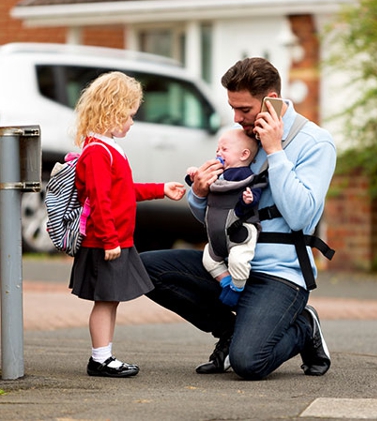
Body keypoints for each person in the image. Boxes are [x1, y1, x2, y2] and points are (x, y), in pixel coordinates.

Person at [141, 57, 336, 380]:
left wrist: (275, 152)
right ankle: (231, 331)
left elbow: (301, 217)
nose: (236, 118)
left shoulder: (315, 143)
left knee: (249, 363)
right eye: (233, 108)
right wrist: (201, 193)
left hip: (279, 274)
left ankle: (304, 326)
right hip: (228, 263)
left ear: (271, 98)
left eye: (244, 109)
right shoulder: (240, 139)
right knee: (145, 270)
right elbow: (213, 215)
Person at [69, 71, 186, 378]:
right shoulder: (96, 152)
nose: (132, 123)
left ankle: (103, 355)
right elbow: (99, 199)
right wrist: (109, 240)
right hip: (104, 241)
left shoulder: (107, 147)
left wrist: (161, 188)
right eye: (129, 116)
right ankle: (100, 358)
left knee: (111, 300)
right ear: (112, 110)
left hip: (115, 239)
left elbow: (123, 191)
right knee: (106, 301)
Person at [186, 128, 265, 308]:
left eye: (224, 149)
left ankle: (237, 289)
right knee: (208, 259)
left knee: (239, 260)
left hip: (240, 234)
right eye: (218, 149)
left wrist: (249, 199)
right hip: (217, 239)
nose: (218, 153)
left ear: (244, 154)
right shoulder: (219, 173)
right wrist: (194, 177)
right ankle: (226, 281)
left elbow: (255, 192)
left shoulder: (244, 175)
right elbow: (203, 186)